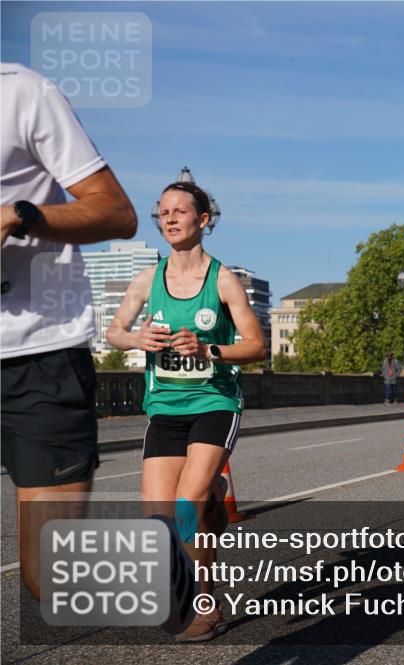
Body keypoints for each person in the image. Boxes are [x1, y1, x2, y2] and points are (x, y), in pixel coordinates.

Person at [1, 63, 138, 602]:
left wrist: (17, 215)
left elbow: (117, 214)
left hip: (38, 352)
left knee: (51, 575)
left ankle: (171, 569)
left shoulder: (22, 93)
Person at [107, 180, 266, 641]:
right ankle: (212, 501)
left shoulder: (222, 280)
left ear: (204, 219)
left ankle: (204, 602)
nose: (171, 218)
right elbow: (115, 332)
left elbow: (257, 346)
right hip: (165, 407)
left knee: (185, 506)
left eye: (180, 210)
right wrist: (136, 339)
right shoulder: (147, 280)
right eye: (163, 212)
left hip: (215, 402)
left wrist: (208, 349)